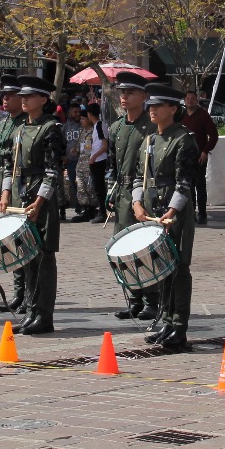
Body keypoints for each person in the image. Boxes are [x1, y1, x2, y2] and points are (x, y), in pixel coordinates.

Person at [131, 83, 199, 350]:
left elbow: (185, 182)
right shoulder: (149, 140)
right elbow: (139, 176)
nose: (152, 110)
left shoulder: (183, 139)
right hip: (152, 210)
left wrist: (172, 211)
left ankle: (179, 327)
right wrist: (137, 203)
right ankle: (166, 321)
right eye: (151, 105)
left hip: (174, 212)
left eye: (158, 106)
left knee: (178, 268)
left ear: (173, 108)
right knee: (161, 269)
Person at [0, 75, 64, 335]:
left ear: (44, 100)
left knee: (43, 257)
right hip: (19, 196)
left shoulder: (51, 128)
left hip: (40, 199)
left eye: (30, 96)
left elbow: (52, 171)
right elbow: (9, 167)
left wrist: (39, 202)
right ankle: (31, 311)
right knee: (26, 257)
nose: (23, 99)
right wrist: (5, 195)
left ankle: (44, 315)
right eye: (22, 96)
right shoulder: (19, 130)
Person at [109, 72, 158, 319]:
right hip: (122, 193)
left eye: (130, 93)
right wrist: (110, 191)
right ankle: (134, 298)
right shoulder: (116, 127)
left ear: (144, 96)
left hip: (144, 193)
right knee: (124, 249)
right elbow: (112, 165)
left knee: (144, 249)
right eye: (122, 92)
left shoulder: (151, 127)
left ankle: (151, 300)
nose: (124, 97)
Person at [0, 75, 27, 313]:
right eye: (3, 95)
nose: (5, 99)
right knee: (10, 242)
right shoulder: (2, 124)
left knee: (22, 241)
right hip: (3, 183)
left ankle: (25, 294)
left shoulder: (26, 123)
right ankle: (17, 292)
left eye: (10, 95)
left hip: (20, 185)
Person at [181, 89, 218, 224]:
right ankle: (191, 212)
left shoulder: (203, 115)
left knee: (200, 185)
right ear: (184, 101)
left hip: (199, 156)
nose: (190, 101)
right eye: (187, 98)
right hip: (184, 156)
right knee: (187, 185)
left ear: (197, 100)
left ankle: (202, 213)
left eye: (192, 98)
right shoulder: (181, 115)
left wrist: (205, 151)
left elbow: (213, 135)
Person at [87, 103, 110, 221]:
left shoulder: (100, 125)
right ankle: (100, 211)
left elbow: (104, 146)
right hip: (95, 159)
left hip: (99, 160)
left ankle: (102, 213)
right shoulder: (95, 126)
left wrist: (94, 157)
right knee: (96, 187)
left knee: (99, 187)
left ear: (90, 114)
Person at [62, 104, 82, 220]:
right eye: (75, 112)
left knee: (83, 185)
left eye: (79, 112)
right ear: (70, 113)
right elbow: (62, 142)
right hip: (71, 161)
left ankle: (83, 207)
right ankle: (78, 207)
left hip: (82, 161)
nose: (78, 114)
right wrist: (63, 156)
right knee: (74, 185)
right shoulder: (66, 127)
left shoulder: (84, 125)